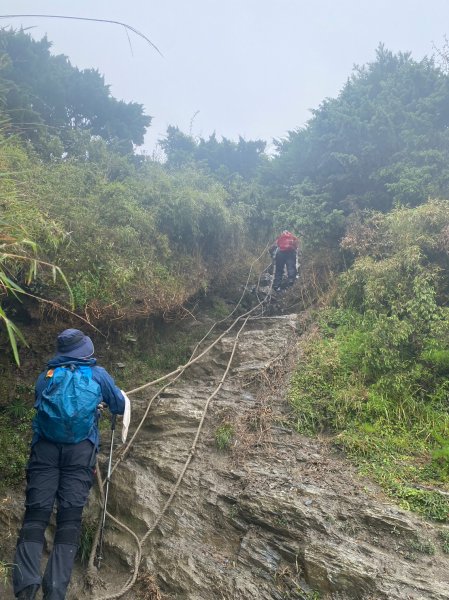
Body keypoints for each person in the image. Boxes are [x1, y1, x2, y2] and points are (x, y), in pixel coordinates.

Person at [13, 328, 125, 600]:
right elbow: (119, 405)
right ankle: (55, 591)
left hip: (44, 452)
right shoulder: (98, 374)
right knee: (69, 519)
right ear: (86, 350)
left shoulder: (46, 377)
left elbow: (40, 407)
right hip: (80, 453)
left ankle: (26, 586)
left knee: (36, 514)